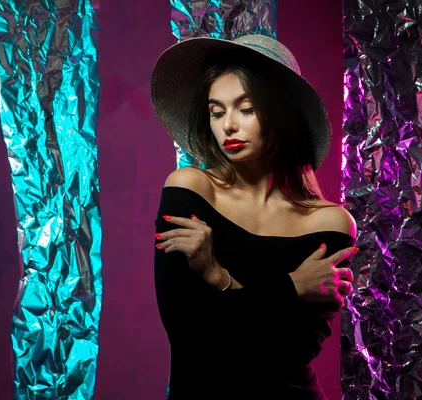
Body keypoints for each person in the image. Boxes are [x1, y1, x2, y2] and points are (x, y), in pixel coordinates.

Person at [151, 34, 358, 399]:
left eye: (246, 109)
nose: (228, 125)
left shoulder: (330, 223)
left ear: (281, 114)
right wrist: (293, 286)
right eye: (217, 112)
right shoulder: (190, 189)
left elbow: (286, 355)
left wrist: (216, 278)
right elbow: (189, 338)